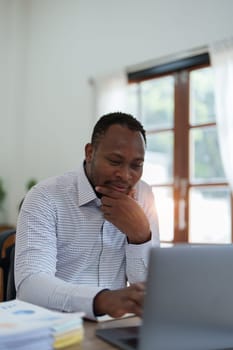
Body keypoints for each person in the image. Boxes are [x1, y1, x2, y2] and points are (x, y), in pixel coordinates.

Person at [15, 112, 160, 320]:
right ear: (90, 152)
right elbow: (31, 285)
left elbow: (148, 291)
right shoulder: (45, 197)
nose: (126, 175)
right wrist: (102, 300)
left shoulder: (143, 195)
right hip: (56, 327)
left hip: (115, 327)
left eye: (136, 165)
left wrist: (140, 236)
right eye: (115, 161)